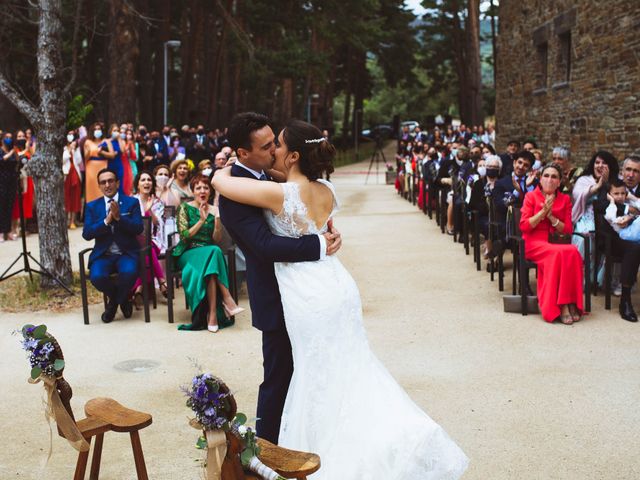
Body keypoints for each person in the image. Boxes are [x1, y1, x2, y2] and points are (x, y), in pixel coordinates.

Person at [214, 116, 468, 479]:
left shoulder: (273, 187)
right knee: (313, 370)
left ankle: (283, 455)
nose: (274, 150)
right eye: (267, 145)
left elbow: (270, 217)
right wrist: (319, 241)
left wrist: (217, 175)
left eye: (277, 144)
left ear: (293, 156)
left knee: (310, 372)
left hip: (306, 295)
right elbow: (263, 245)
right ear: (244, 152)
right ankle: (274, 451)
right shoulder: (321, 188)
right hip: (325, 286)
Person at [171, 174, 243, 332]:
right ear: (193, 191)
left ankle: (212, 315)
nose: (202, 191)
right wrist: (201, 221)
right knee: (214, 253)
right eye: (198, 188)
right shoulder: (185, 207)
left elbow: (216, 240)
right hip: (189, 252)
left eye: (205, 187)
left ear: (210, 191)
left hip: (209, 252)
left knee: (213, 258)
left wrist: (217, 226)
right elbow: (184, 235)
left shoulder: (215, 210)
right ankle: (227, 299)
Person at [519, 164, 584, 324]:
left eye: (554, 176)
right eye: (546, 176)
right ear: (540, 179)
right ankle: (562, 305)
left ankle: (570, 301)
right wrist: (542, 213)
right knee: (558, 254)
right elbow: (524, 226)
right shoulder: (530, 197)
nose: (549, 179)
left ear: (560, 181)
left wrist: (552, 218)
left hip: (556, 241)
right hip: (534, 242)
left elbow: (567, 229)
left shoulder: (565, 199)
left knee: (573, 251)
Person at [82, 169, 143, 323]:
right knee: (96, 276)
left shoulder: (131, 202)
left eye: (110, 181)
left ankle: (112, 305)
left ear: (117, 183)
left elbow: (138, 228)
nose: (107, 185)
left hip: (126, 253)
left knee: (129, 272)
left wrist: (119, 219)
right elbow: (87, 234)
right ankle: (122, 300)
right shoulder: (91, 206)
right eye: (103, 182)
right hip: (104, 255)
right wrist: (106, 221)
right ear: (99, 186)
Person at [131, 171, 167, 307]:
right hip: (134, 241)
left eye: (149, 180)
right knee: (145, 249)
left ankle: (138, 289)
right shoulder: (131, 201)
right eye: (143, 180)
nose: (146, 182)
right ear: (138, 184)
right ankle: (162, 282)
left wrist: (148, 210)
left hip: (153, 240)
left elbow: (158, 224)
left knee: (148, 246)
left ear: (152, 184)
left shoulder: (158, 202)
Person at [571, 151, 618, 256]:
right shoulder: (584, 179)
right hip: (586, 217)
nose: (600, 166)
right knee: (586, 235)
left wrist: (606, 185)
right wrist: (596, 187)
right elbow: (576, 194)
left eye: (604, 163)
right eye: (597, 162)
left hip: (608, 218)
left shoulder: (615, 182)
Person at [84, 122, 112, 203]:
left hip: (103, 165)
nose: (97, 131)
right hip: (91, 167)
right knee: (92, 188)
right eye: (95, 129)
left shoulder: (106, 141)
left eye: (99, 129)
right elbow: (85, 158)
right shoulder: (88, 142)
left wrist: (102, 152)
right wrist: (88, 152)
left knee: (103, 185)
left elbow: (112, 155)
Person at [62, 130, 83, 229]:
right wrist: (69, 150)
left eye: (72, 135)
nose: (70, 136)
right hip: (66, 174)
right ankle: (65, 220)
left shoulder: (76, 148)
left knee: (75, 198)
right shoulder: (63, 148)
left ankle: (72, 221)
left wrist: (74, 150)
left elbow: (79, 161)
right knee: (66, 197)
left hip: (75, 174)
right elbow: (63, 159)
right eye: (69, 134)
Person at [0, 136, 19, 242]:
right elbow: (2, 160)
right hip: (2, 182)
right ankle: (2, 232)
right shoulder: (1, 151)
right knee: (2, 207)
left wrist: (14, 151)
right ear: (2, 140)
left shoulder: (12, 151)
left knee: (10, 207)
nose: (9, 140)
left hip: (12, 182)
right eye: (6, 138)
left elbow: (17, 161)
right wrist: (11, 152)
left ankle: (9, 231)